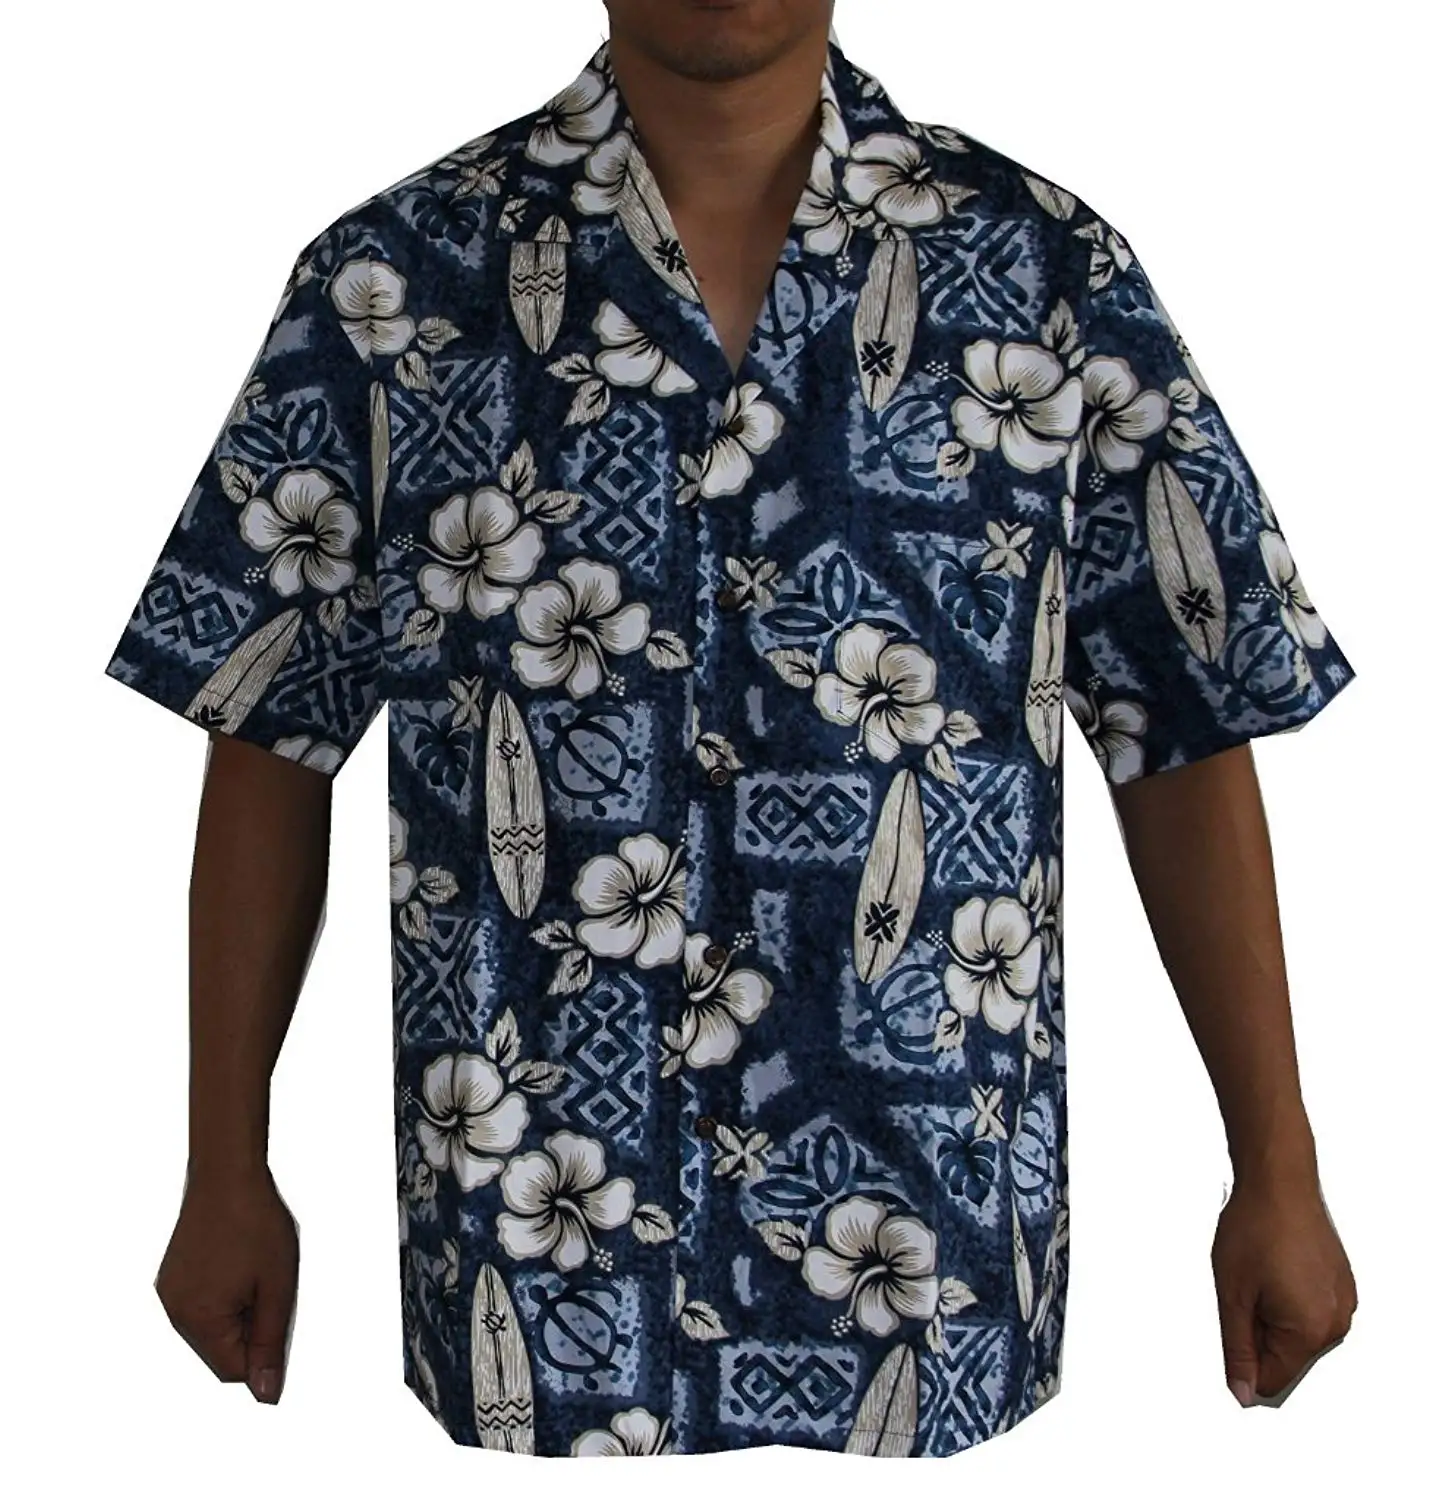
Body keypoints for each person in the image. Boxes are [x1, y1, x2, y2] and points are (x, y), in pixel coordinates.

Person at [101, 0, 1358, 1458]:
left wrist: (1277, 1165)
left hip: (933, 1283)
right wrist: (223, 1165)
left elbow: (1188, 724)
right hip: (534, 1296)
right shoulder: (389, 289)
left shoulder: (1044, 276)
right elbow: (268, 733)